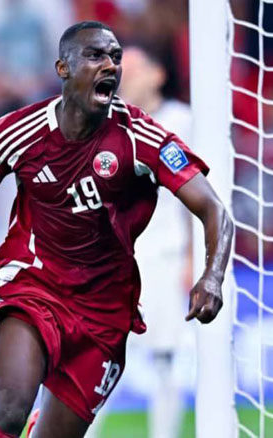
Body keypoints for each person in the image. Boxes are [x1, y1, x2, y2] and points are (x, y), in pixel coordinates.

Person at [0, 21, 233, 438]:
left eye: (115, 57)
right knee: (10, 409)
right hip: (34, 286)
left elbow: (213, 209)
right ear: (63, 68)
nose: (110, 65)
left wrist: (212, 275)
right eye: (95, 56)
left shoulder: (140, 136)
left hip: (104, 311)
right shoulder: (18, 132)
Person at [85, 44, 195, 438]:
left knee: (165, 358)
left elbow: (198, 195)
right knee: (98, 358)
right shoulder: (106, 124)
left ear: (157, 74)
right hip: (115, 260)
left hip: (165, 258)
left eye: (133, 69)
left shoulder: (183, 121)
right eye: (120, 71)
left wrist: (193, 257)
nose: (124, 77)